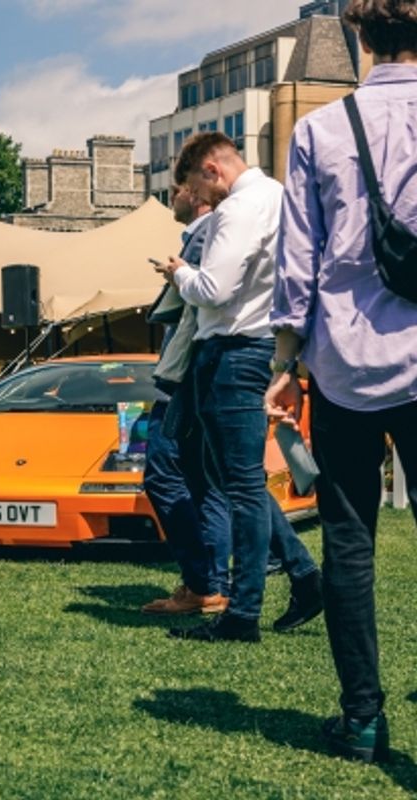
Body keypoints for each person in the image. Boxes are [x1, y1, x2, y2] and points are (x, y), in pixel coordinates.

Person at [266, 0, 417, 763]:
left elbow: (298, 263)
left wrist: (286, 364)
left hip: (343, 364)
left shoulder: (319, 131)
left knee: (350, 546)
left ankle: (362, 718)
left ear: (359, 36)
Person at [156, 131, 320, 643]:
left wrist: (181, 273)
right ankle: (302, 576)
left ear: (212, 169)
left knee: (241, 485)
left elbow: (214, 289)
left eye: (197, 189)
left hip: (232, 350)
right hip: (262, 346)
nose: (203, 202)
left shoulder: (238, 209)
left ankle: (244, 611)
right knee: (237, 479)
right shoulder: (281, 196)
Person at [141, 183, 228, 615]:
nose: (169, 195)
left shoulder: (203, 232)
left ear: (196, 190)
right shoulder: (210, 232)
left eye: (176, 187)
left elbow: (205, 299)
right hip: (201, 375)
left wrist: (178, 274)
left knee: (162, 473)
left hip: (187, 378)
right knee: (210, 482)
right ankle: (213, 584)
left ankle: (203, 582)